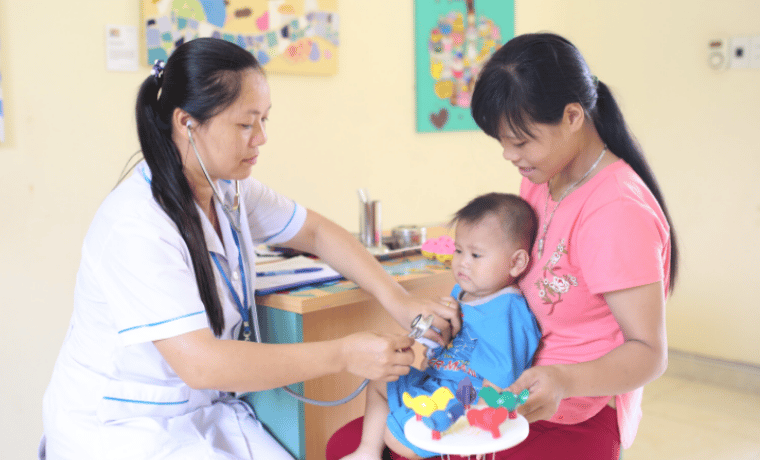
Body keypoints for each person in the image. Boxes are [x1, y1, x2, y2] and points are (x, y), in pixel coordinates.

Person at [40, 37, 461, 460]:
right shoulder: (135, 225)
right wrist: (345, 353)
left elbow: (316, 233)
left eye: (264, 120)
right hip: (122, 430)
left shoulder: (229, 188)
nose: (261, 138)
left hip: (202, 413)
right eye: (246, 124)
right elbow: (202, 364)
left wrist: (399, 299)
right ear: (186, 123)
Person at [327, 32, 677, 460]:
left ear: (572, 116)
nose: (510, 156)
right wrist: (453, 311)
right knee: (348, 443)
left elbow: (649, 354)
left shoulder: (618, 211)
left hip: (568, 410)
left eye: (521, 141)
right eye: (502, 142)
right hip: (496, 387)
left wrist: (564, 381)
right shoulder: (542, 180)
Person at [339, 193, 541, 460]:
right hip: (432, 382)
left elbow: (501, 380)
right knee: (380, 379)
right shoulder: (462, 291)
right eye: (458, 250)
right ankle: (367, 451)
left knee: (396, 439)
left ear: (516, 262)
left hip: (460, 400)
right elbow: (446, 342)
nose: (462, 262)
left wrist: (474, 422)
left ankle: (408, 439)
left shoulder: (508, 311)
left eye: (476, 255)